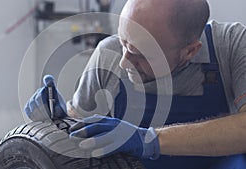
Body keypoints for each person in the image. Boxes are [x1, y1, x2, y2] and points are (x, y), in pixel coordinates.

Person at [24, 0, 246, 168]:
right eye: (123, 43)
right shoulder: (108, 55)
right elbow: (78, 132)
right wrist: (56, 123)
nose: (124, 61)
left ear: (189, 51)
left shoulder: (231, 46)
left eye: (140, 54)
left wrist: (149, 139)